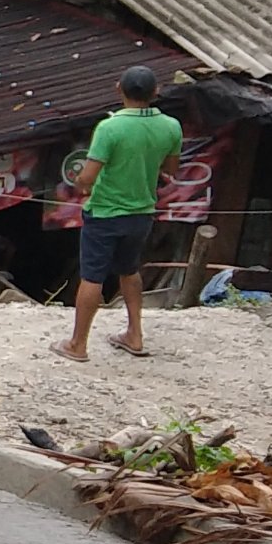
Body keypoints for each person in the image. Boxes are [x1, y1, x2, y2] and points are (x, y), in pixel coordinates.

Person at [57, 65, 186, 363]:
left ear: (119, 89)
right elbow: (170, 170)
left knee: (92, 276)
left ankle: (78, 344)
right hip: (142, 212)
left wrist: (79, 183)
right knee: (129, 270)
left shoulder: (110, 128)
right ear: (156, 92)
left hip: (104, 212)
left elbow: (87, 177)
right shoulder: (171, 127)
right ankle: (135, 335)